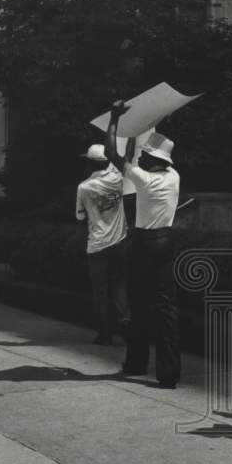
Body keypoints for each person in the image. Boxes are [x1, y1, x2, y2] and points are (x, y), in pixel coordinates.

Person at [104, 103, 181, 386]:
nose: (142, 159)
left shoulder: (143, 179)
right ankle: (169, 373)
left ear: (149, 158)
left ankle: (136, 363)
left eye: (145, 156)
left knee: (138, 304)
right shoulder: (174, 177)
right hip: (167, 241)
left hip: (144, 243)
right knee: (166, 308)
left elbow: (112, 154)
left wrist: (114, 119)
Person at [75, 143, 130, 346]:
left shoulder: (84, 187)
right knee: (120, 285)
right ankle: (126, 321)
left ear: (89, 163)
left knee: (100, 290)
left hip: (97, 245)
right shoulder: (119, 180)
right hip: (120, 241)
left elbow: (80, 217)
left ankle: (104, 334)